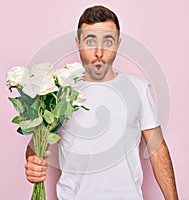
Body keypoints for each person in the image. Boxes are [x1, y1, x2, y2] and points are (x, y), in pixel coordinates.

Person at [25, 5, 179, 200]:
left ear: (117, 44)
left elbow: (157, 150)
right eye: (90, 41)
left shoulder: (139, 89)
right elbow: (35, 147)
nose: (99, 52)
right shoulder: (58, 92)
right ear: (78, 42)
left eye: (108, 42)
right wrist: (33, 162)